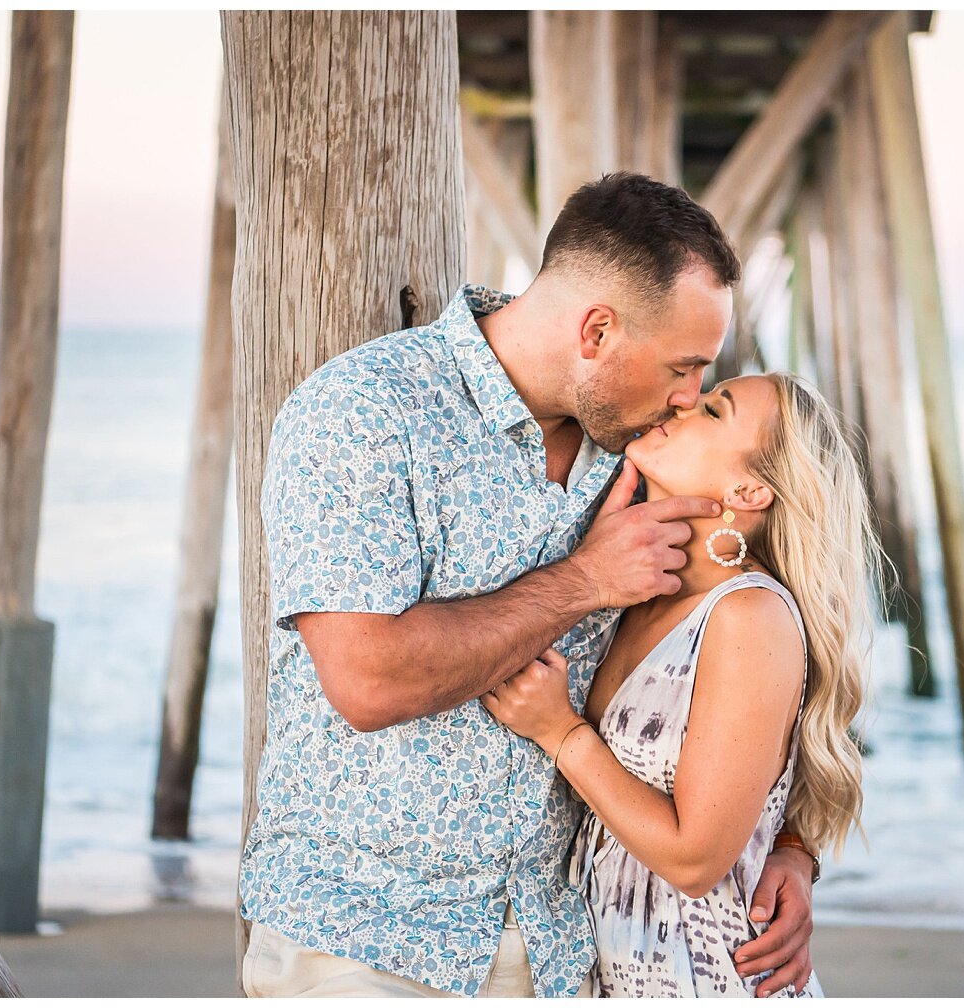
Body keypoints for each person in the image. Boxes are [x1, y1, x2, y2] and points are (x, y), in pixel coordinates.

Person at [239, 173, 822, 997]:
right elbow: (367, 680)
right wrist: (582, 581)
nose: (688, 398)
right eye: (682, 367)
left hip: (561, 956)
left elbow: (778, 648)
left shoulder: (640, 447)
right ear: (597, 332)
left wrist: (793, 849)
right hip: (366, 944)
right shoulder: (365, 413)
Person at [483, 373, 876, 997]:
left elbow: (695, 859)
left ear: (749, 490)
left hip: (703, 978)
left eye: (715, 410)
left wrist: (560, 732)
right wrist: (794, 848)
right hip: (602, 975)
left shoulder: (750, 615)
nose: (687, 402)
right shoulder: (637, 593)